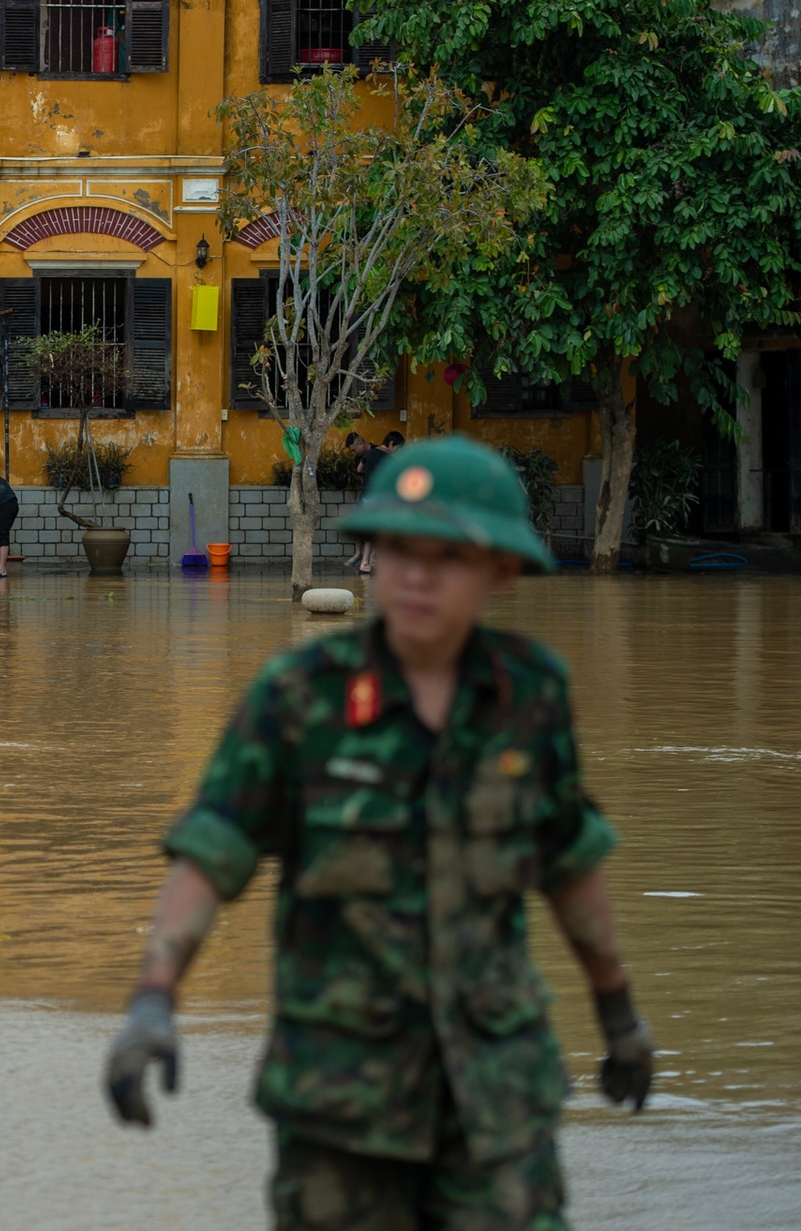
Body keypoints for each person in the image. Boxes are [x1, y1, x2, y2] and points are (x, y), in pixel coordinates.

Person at [104, 436, 651, 1231]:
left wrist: (621, 1018)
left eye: (446, 554)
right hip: (340, 1111)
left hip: (497, 1104)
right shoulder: (299, 699)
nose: (415, 574)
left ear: (501, 570)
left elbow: (570, 866)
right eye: (396, 548)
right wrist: (152, 1001)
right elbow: (212, 853)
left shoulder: (531, 697)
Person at [345, 432, 390, 574]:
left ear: (360, 443)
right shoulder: (361, 457)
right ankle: (361, 556)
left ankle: (368, 560)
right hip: (368, 494)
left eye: (353, 450)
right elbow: (359, 473)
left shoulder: (376, 452)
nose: (353, 453)